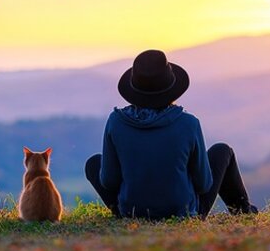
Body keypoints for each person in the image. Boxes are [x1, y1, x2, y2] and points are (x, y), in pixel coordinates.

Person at [84, 50, 259, 219]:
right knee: (222, 151)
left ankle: (126, 212)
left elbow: (109, 181)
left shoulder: (116, 122)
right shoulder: (188, 123)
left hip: (132, 211)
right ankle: (243, 211)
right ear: (171, 88)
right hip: (184, 212)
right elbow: (204, 184)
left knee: (94, 163)